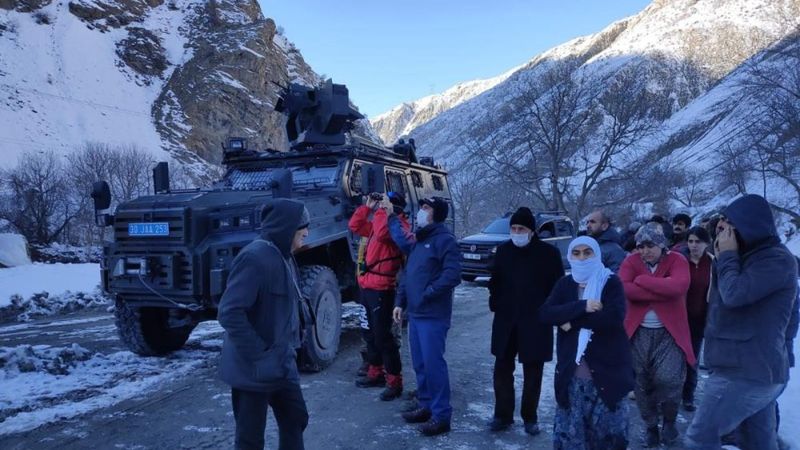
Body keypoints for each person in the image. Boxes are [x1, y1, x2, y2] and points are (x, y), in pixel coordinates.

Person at [685, 194, 798, 450]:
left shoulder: (776, 260)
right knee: (757, 442)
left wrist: (726, 256)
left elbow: (734, 294)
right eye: (721, 221)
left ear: (749, 224)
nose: (721, 227)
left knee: (699, 439)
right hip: (746, 368)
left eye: (729, 222)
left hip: (747, 371)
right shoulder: (747, 256)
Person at [218, 199, 311, 450]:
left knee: (296, 418)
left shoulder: (284, 255)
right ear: (286, 226)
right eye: (302, 225)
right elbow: (229, 312)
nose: (306, 231)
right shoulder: (254, 258)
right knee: (250, 438)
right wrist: (260, 356)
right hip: (252, 368)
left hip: (282, 362)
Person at [540, 236, 634, 449]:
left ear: (596, 254)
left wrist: (571, 321)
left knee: (607, 440)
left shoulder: (610, 282)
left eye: (587, 252)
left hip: (608, 373)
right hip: (572, 376)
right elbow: (545, 313)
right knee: (572, 439)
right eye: (576, 253)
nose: (582, 258)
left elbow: (613, 317)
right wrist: (582, 306)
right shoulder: (565, 284)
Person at [487, 207, 564, 435]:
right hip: (506, 320)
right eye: (513, 228)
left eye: (521, 229)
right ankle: (502, 415)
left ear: (531, 231)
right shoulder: (503, 251)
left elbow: (557, 287)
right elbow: (494, 282)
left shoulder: (548, 254)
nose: (516, 232)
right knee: (502, 369)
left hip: (535, 321)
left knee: (533, 372)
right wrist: (496, 303)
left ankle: (530, 417)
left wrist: (549, 312)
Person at [619, 222, 694, 447]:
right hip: (638, 332)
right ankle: (651, 425)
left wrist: (642, 281)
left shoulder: (677, 260)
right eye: (641, 246)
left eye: (650, 245)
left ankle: (669, 420)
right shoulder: (631, 261)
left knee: (669, 379)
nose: (645, 251)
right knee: (641, 382)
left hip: (669, 333)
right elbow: (624, 288)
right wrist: (662, 288)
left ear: (661, 244)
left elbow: (679, 287)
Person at [391, 197, 462, 436]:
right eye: (421, 207)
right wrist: (400, 302)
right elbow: (408, 274)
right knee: (420, 364)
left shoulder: (445, 240)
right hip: (415, 314)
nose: (420, 211)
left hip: (433, 314)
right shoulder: (419, 240)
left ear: (436, 213)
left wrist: (428, 293)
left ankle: (441, 416)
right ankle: (426, 405)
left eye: (425, 208)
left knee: (433, 365)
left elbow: (453, 274)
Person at [348, 192, 410, 400]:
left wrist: (385, 212)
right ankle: (375, 372)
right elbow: (355, 226)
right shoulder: (380, 221)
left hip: (383, 288)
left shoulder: (398, 225)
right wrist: (367, 207)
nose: (380, 207)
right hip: (368, 284)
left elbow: (383, 234)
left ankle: (394, 381)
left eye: (384, 203)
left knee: (383, 336)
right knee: (369, 332)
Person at [680, 226, 713, 412]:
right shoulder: (680, 261)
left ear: (706, 243)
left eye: (697, 242)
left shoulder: (713, 263)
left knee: (692, 359)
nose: (693, 245)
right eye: (690, 241)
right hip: (678, 316)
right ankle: (669, 396)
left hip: (699, 318)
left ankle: (688, 396)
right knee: (673, 359)